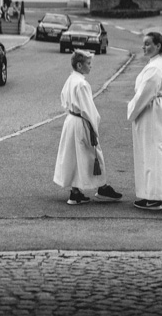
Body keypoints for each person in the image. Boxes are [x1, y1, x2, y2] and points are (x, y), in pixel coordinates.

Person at [53, 50, 123, 205]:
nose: (91, 67)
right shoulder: (82, 84)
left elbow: (63, 98)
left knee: (75, 156)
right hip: (82, 122)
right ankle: (102, 187)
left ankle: (75, 191)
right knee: (93, 154)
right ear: (80, 65)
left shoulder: (71, 79)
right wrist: (94, 127)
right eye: (88, 64)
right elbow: (88, 110)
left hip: (71, 120)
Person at [127, 32, 162, 211]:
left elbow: (145, 94)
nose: (144, 47)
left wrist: (131, 111)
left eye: (148, 44)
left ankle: (153, 198)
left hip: (154, 112)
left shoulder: (155, 67)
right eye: (143, 44)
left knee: (152, 153)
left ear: (158, 46)